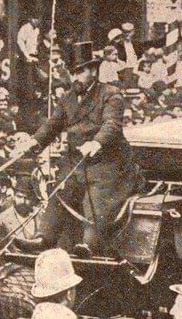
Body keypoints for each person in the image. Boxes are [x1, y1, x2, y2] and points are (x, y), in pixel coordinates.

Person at [15, 41, 143, 256]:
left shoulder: (111, 94)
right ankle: (43, 238)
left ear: (93, 71)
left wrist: (96, 143)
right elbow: (52, 125)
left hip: (108, 163)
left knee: (97, 193)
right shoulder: (68, 98)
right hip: (76, 161)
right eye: (72, 73)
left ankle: (90, 243)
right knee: (60, 190)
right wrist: (33, 142)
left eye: (80, 72)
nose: (74, 78)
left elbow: (111, 125)